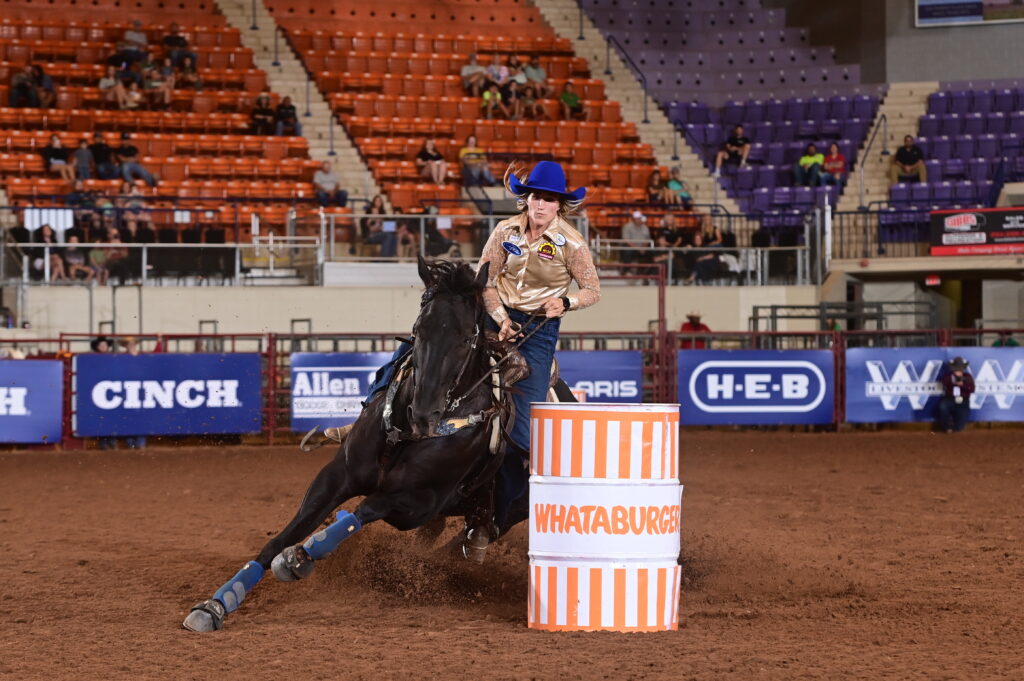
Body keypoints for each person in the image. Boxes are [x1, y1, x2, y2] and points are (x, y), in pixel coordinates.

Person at [936, 356, 974, 433]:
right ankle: (947, 427)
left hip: (963, 401)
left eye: (960, 369)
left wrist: (962, 384)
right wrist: (953, 380)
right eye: (956, 369)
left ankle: (956, 427)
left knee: (959, 427)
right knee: (943, 406)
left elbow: (972, 389)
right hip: (950, 399)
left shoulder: (968, 377)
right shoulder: (948, 376)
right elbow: (943, 382)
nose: (958, 371)